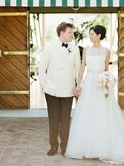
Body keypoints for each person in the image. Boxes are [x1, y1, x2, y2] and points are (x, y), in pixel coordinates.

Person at [65, 25, 124, 164]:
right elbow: (82, 68)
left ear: (99, 35)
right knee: (87, 113)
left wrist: (108, 81)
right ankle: (85, 147)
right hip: (89, 83)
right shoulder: (86, 49)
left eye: (92, 34)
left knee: (103, 113)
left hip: (101, 85)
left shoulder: (106, 51)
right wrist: (78, 84)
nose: (90, 36)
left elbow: (107, 69)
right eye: (90, 34)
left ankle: (102, 147)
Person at [38, 22, 81, 156]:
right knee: (53, 119)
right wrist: (45, 86)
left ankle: (65, 147)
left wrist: (78, 86)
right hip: (52, 91)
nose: (72, 35)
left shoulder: (74, 49)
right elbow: (41, 68)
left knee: (65, 120)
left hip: (68, 90)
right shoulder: (49, 48)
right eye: (70, 32)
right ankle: (53, 146)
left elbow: (78, 69)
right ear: (61, 33)